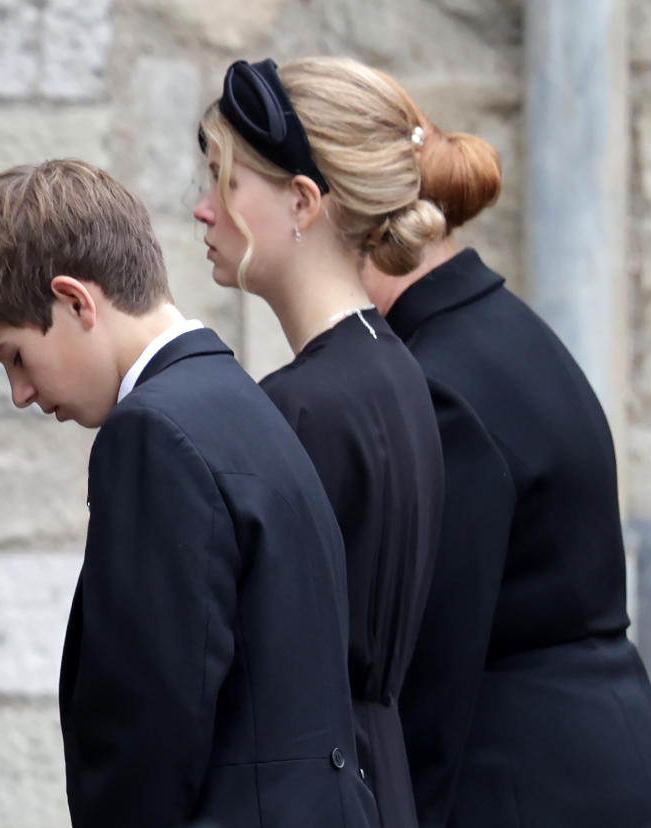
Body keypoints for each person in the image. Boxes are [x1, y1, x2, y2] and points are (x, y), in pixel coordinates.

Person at [0, 159, 379, 828]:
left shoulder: (153, 433)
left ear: (77, 301)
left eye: (14, 355)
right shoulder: (240, 404)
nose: (20, 394)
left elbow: (150, 724)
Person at [357, 79, 651, 826]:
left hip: (536, 787)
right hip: (607, 763)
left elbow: (432, 682)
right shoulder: (497, 328)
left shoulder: (442, 382)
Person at [194, 57, 445, 828]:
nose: (203, 210)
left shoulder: (304, 408)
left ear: (303, 201)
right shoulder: (393, 371)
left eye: (225, 180)